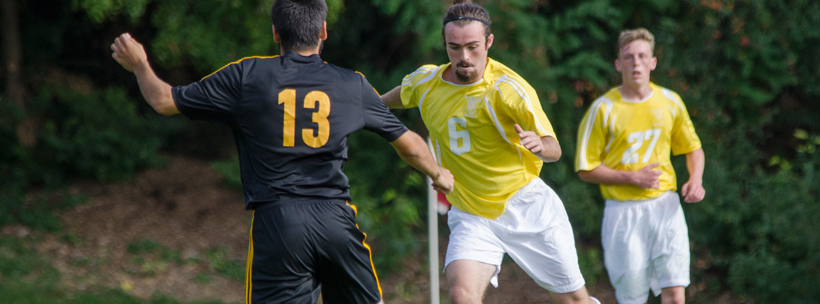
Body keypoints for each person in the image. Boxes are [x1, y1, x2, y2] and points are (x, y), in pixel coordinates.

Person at [110, 0, 454, 303]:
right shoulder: (352, 84)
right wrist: (439, 175)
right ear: (323, 31)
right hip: (336, 221)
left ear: (276, 33)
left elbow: (164, 100)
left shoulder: (248, 76)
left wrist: (140, 64)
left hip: (279, 223)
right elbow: (409, 143)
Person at [381, 1, 599, 303]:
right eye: (454, 47)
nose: (464, 57)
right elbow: (382, 103)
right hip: (471, 213)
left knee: (574, 300)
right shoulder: (426, 83)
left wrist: (539, 144)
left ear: (489, 42)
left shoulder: (508, 90)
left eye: (472, 46)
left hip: (526, 205)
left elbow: (554, 149)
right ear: (444, 43)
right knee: (461, 295)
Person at [574, 28, 706, 304]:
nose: (636, 63)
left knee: (674, 292)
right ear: (618, 64)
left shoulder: (670, 102)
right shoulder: (602, 109)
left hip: (665, 207)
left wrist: (696, 180)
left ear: (653, 62)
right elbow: (586, 169)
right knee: (632, 298)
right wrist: (632, 177)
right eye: (629, 57)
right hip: (623, 214)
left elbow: (693, 148)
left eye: (642, 56)